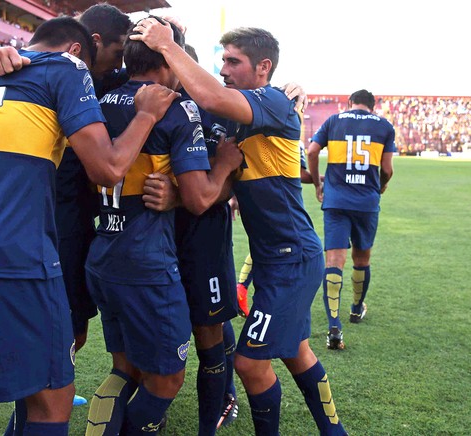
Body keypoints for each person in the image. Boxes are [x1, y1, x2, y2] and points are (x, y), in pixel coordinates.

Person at [0, 16, 178, 436]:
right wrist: (146, 115)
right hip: (10, 256)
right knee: (50, 401)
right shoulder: (68, 67)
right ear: (78, 49)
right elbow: (109, 169)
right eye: (104, 60)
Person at [133, 20, 347, 435]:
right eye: (222, 60)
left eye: (234, 61)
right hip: (275, 259)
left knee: (249, 362)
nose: (224, 69)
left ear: (263, 67)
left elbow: (211, 93)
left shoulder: (272, 101)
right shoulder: (238, 116)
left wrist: (166, 44)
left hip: (292, 256)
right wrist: (178, 196)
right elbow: (221, 184)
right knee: (297, 352)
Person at [84, 18, 243, 436]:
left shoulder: (99, 101)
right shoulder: (175, 107)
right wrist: (226, 164)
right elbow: (198, 198)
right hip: (148, 263)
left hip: (103, 253)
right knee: (169, 377)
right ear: (168, 62)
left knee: (125, 368)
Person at [306, 89, 395, 350]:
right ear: (373, 106)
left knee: (334, 260)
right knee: (361, 258)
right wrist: (380, 185)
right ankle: (356, 309)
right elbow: (387, 169)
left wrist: (316, 185)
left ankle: (334, 326)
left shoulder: (334, 121)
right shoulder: (385, 126)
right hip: (366, 202)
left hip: (336, 201)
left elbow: (311, 152)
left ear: (349, 103)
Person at [235, 141, 323, 318]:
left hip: (255, 196)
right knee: (281, 248)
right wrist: (319, 178)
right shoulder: (289, 135)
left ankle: (242, 287)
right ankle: (256, 294)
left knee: (265, 244)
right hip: (280, 202)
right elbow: (299, 174)